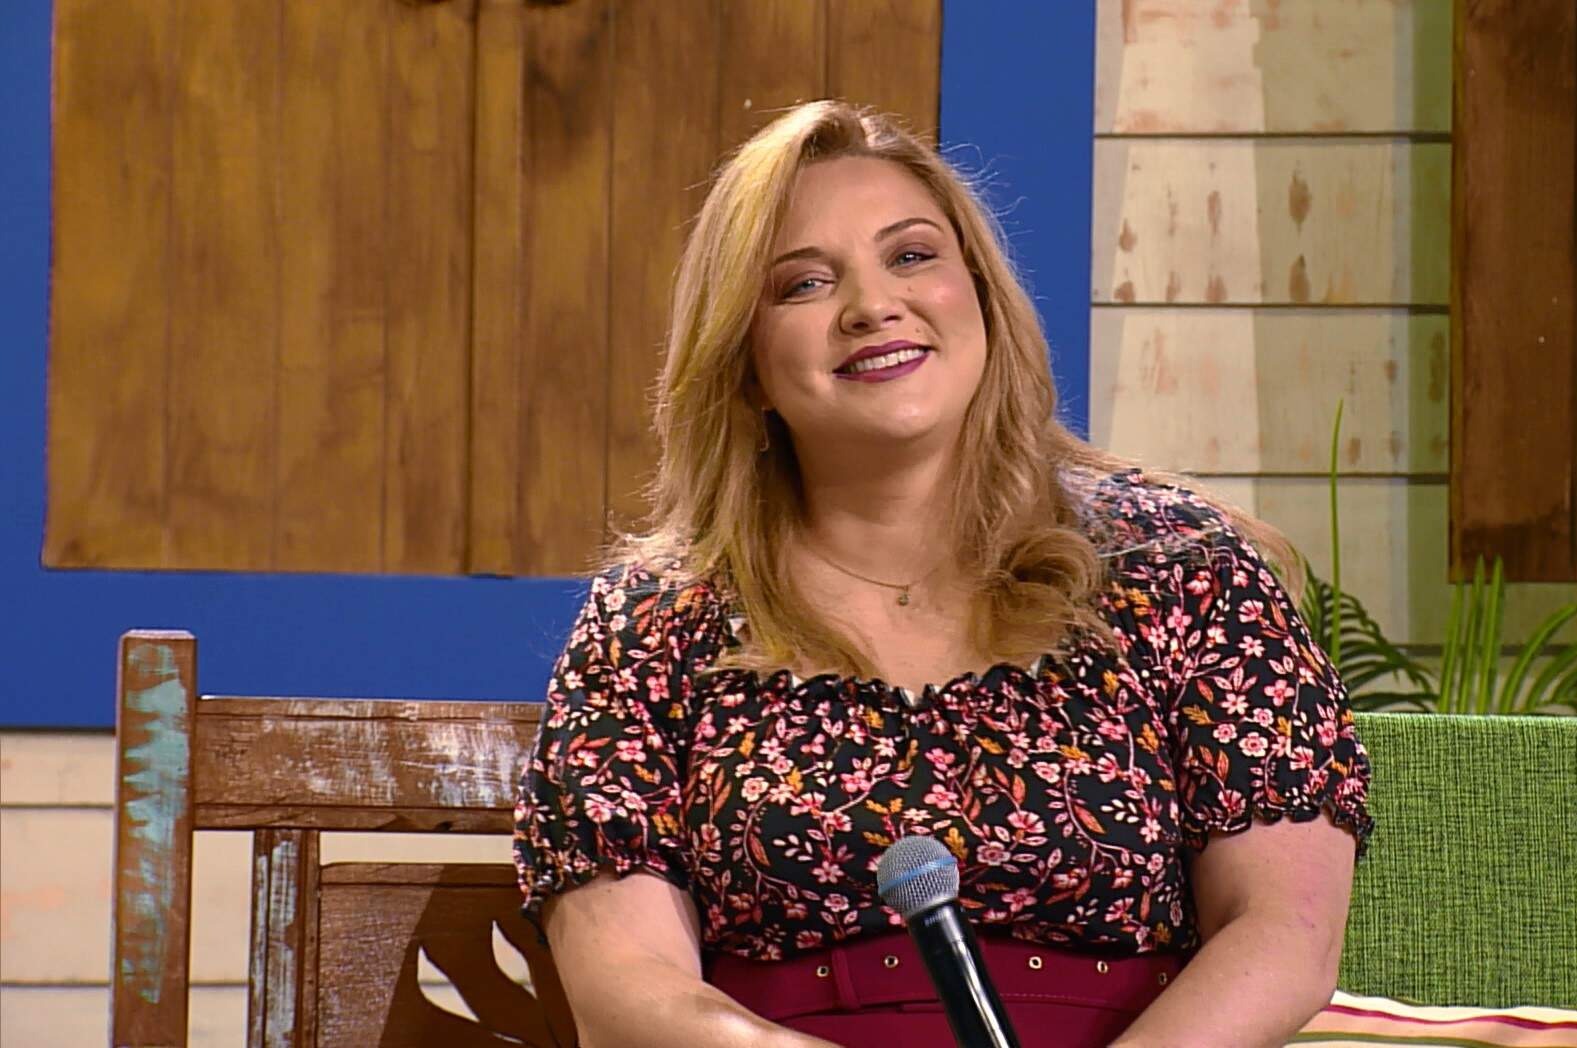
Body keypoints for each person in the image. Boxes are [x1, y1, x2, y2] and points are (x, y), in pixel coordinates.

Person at [512, 100, 1372, 1048]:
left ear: (983, 299)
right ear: (746, 364)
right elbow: (623, 984)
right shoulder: (653, 619)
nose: (872, 306)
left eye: (912, 256)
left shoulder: (1181, 569)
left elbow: (1283, 932)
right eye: (803, 284)